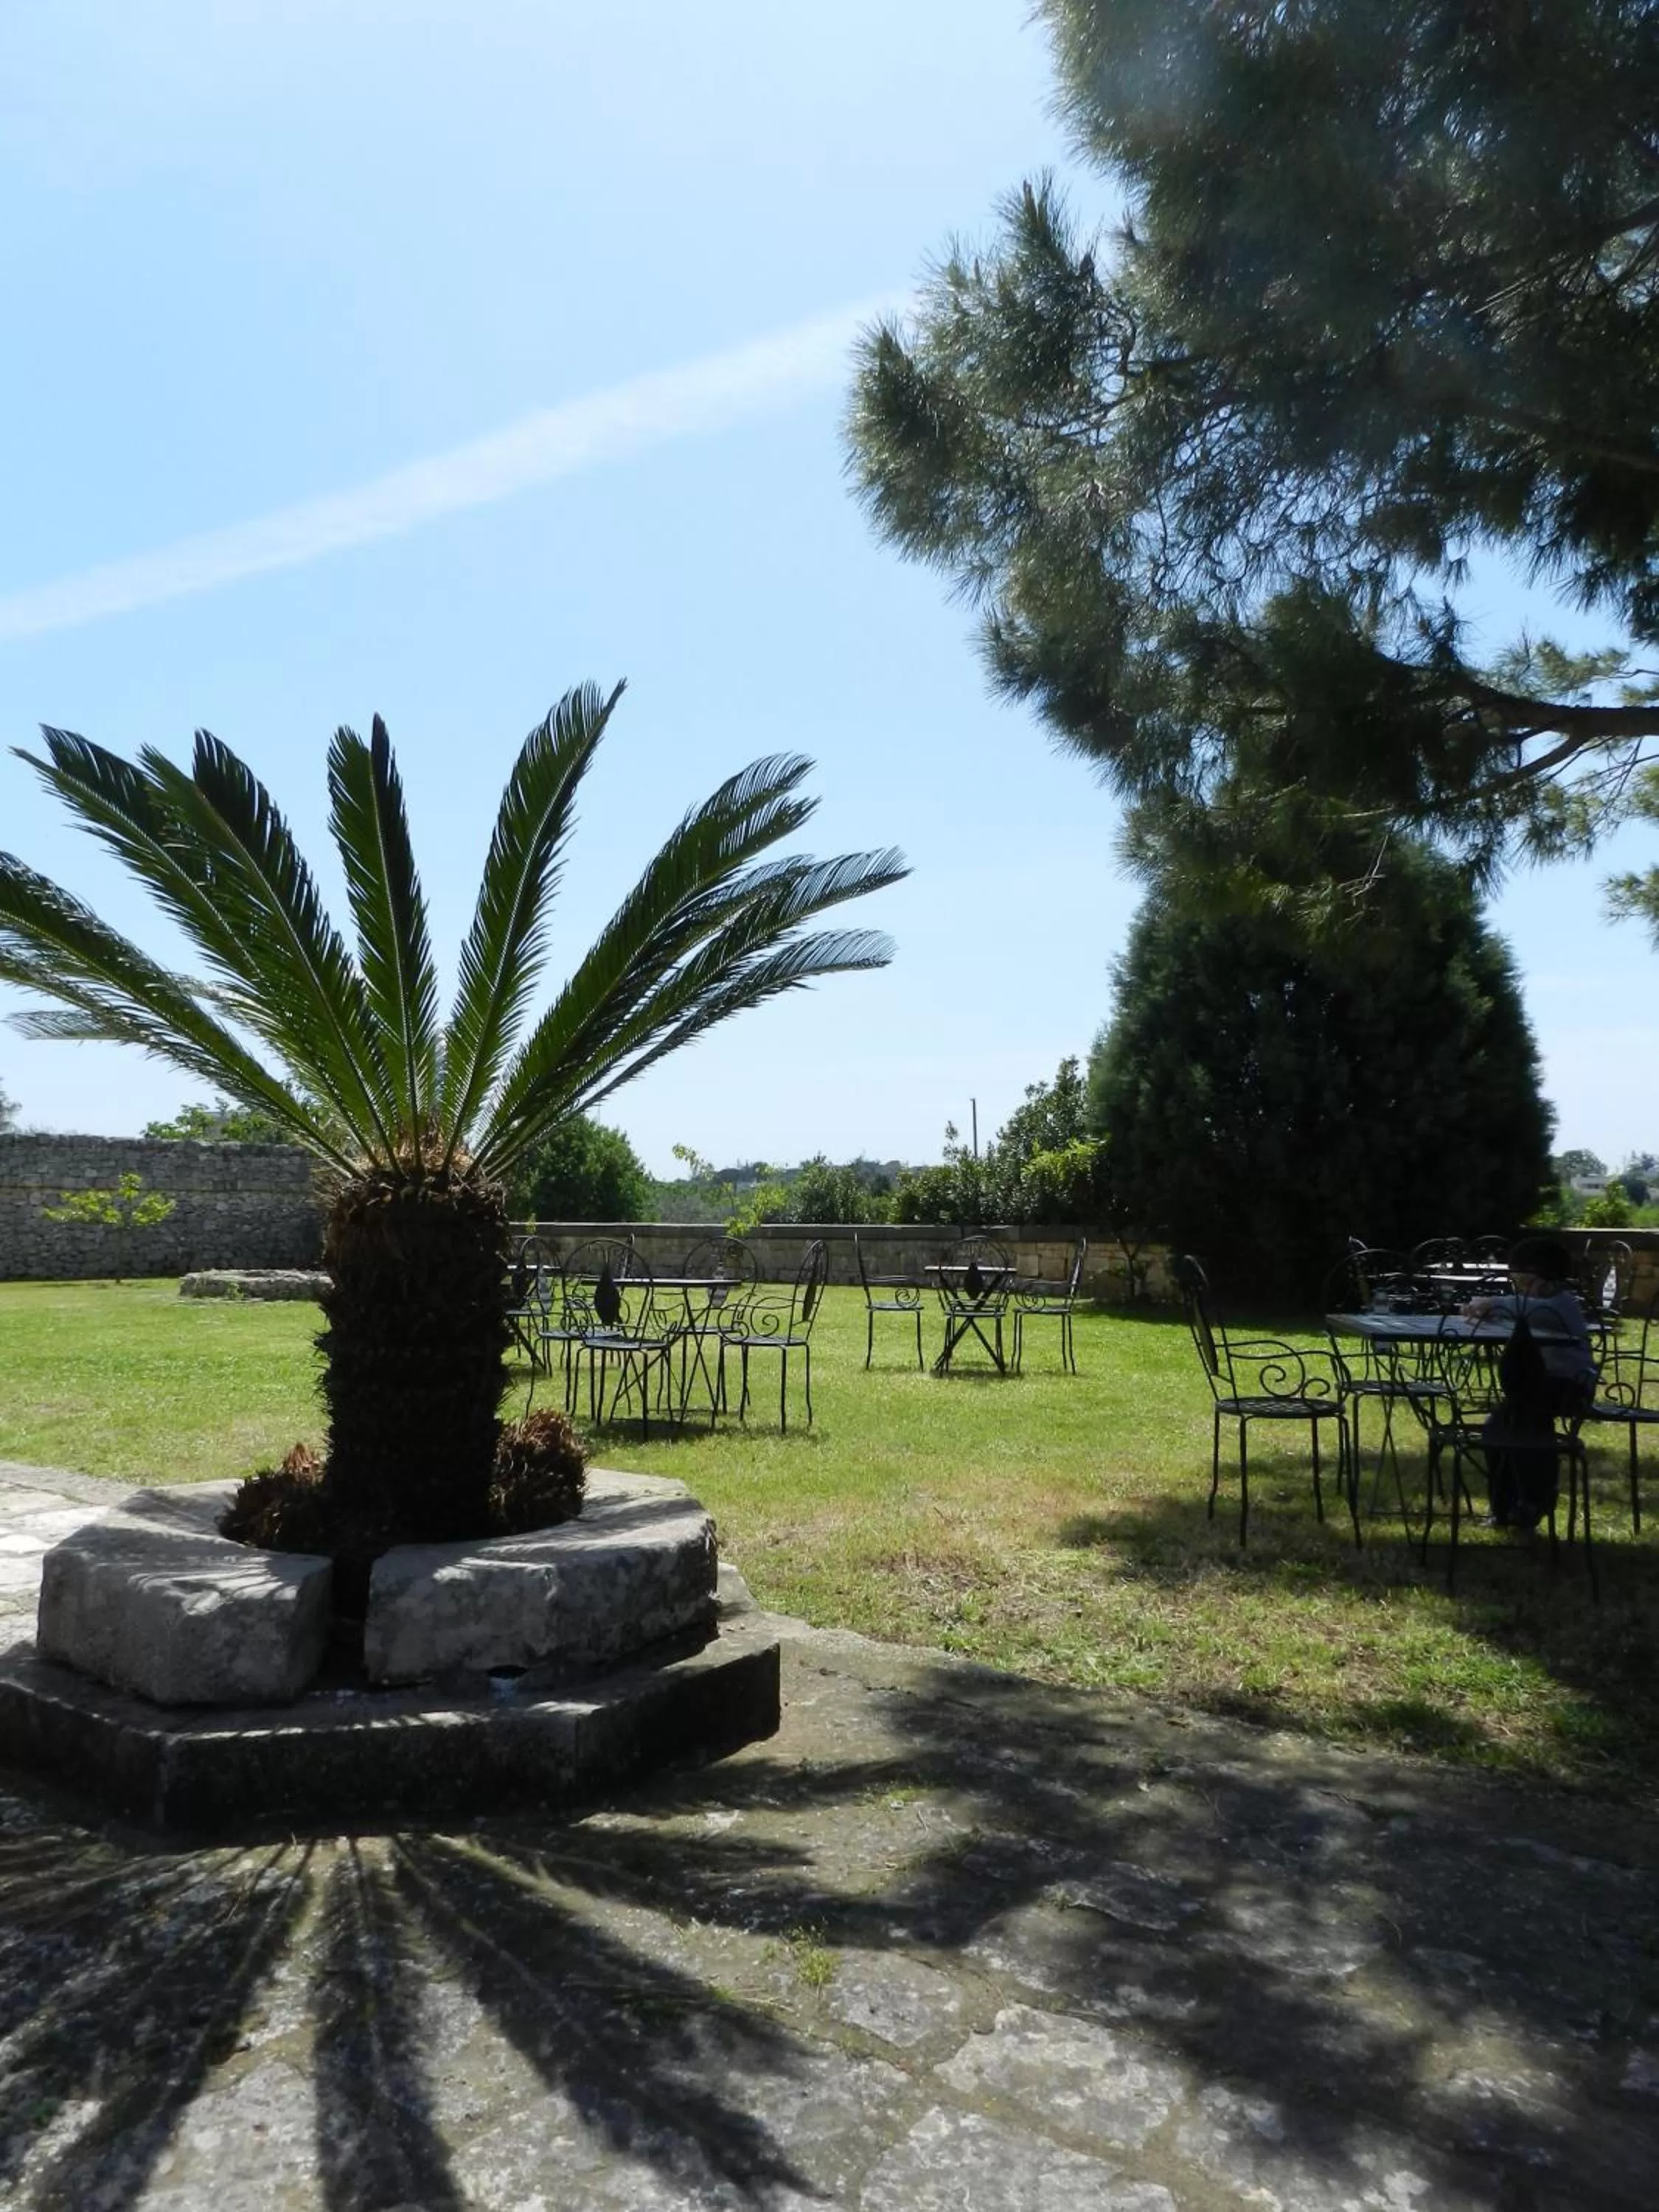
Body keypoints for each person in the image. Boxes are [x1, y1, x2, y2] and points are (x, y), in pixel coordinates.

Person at [1460, 1237, 1597, 1528]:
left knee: (1519, 1423)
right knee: (1500, 1425)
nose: (1522, 1291)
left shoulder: (1561, 1305)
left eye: (1527, 1283)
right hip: (1535, 1388)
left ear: (1550, 1281)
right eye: (1517, 1284)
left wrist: (1492, 1303)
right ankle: (1505, 1507)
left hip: (1570, 1387)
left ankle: (1534, 1501)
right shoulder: (1535, 1306)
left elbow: (1526, 1310)